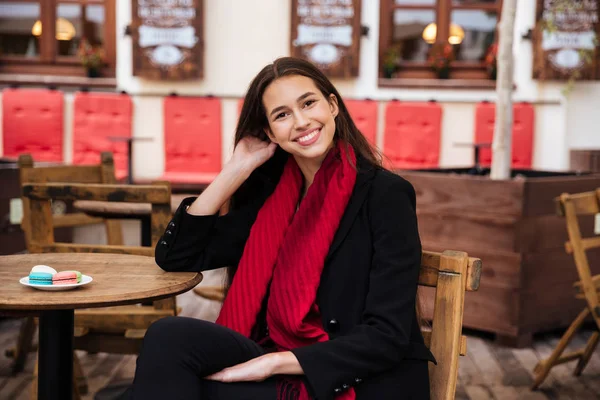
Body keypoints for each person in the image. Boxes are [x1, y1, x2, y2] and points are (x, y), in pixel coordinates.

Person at [129, 57, 436, 400]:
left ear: (332, 105)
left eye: (308, 103)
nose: (302, 121)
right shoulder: (272, 201)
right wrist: (236, 168)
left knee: (160, 388)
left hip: (355, 376)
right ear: (269, 132)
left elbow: (388, 335)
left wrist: (273, 364)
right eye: (282, 115)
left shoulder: (385, 195)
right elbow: (177, 256)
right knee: (167, 337)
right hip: (274, 354)